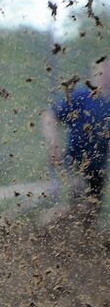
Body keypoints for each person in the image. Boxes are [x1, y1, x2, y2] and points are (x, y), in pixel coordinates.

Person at [41, 56, 110, 226]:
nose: (105, 74)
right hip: (75, 163)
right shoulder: (82, 97)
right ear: (95, 73)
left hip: (98, 169)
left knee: (91, 214)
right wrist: (54, 143)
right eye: (101, 70)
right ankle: (45, 224)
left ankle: (83, 247)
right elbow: (49, 116)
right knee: (78, 205)